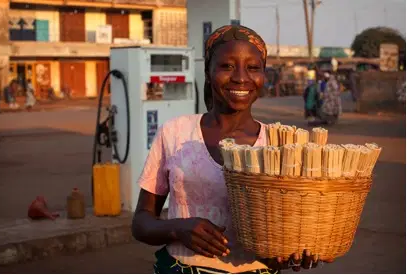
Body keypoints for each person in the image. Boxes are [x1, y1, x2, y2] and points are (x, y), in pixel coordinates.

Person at [132, 25, 332, 274]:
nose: (240, 77)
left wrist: (292, 252)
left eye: (253, 68)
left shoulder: (281, 143)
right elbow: (141, 222)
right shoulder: (175, 132)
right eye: (227, 66)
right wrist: (178, 228)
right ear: (208, 72)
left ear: (263, 75)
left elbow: (297, 228)